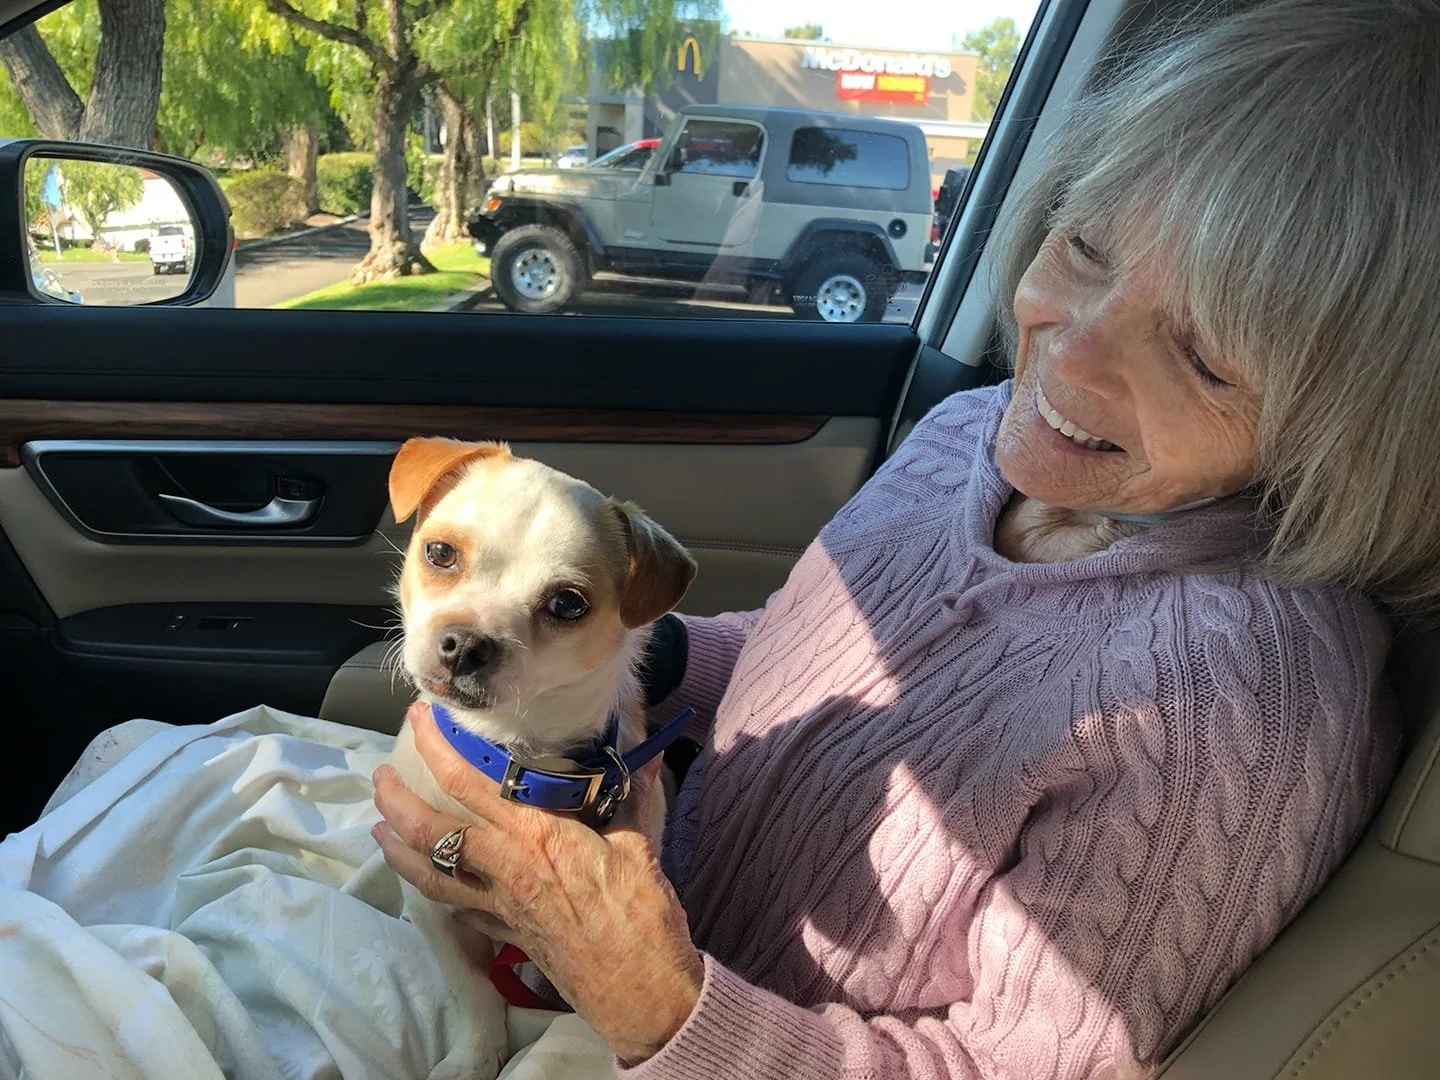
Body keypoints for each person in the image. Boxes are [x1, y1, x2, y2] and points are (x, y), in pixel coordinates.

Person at [371, 1, 1440, 1076]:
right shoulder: (969, 435)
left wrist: (649, 996)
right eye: (1085, 248)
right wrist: (623, 652)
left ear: (1352, 423)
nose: (1072, 356)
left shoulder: (1240, 703)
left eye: (1205, 359)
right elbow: (818, 656)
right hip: (622, 932)